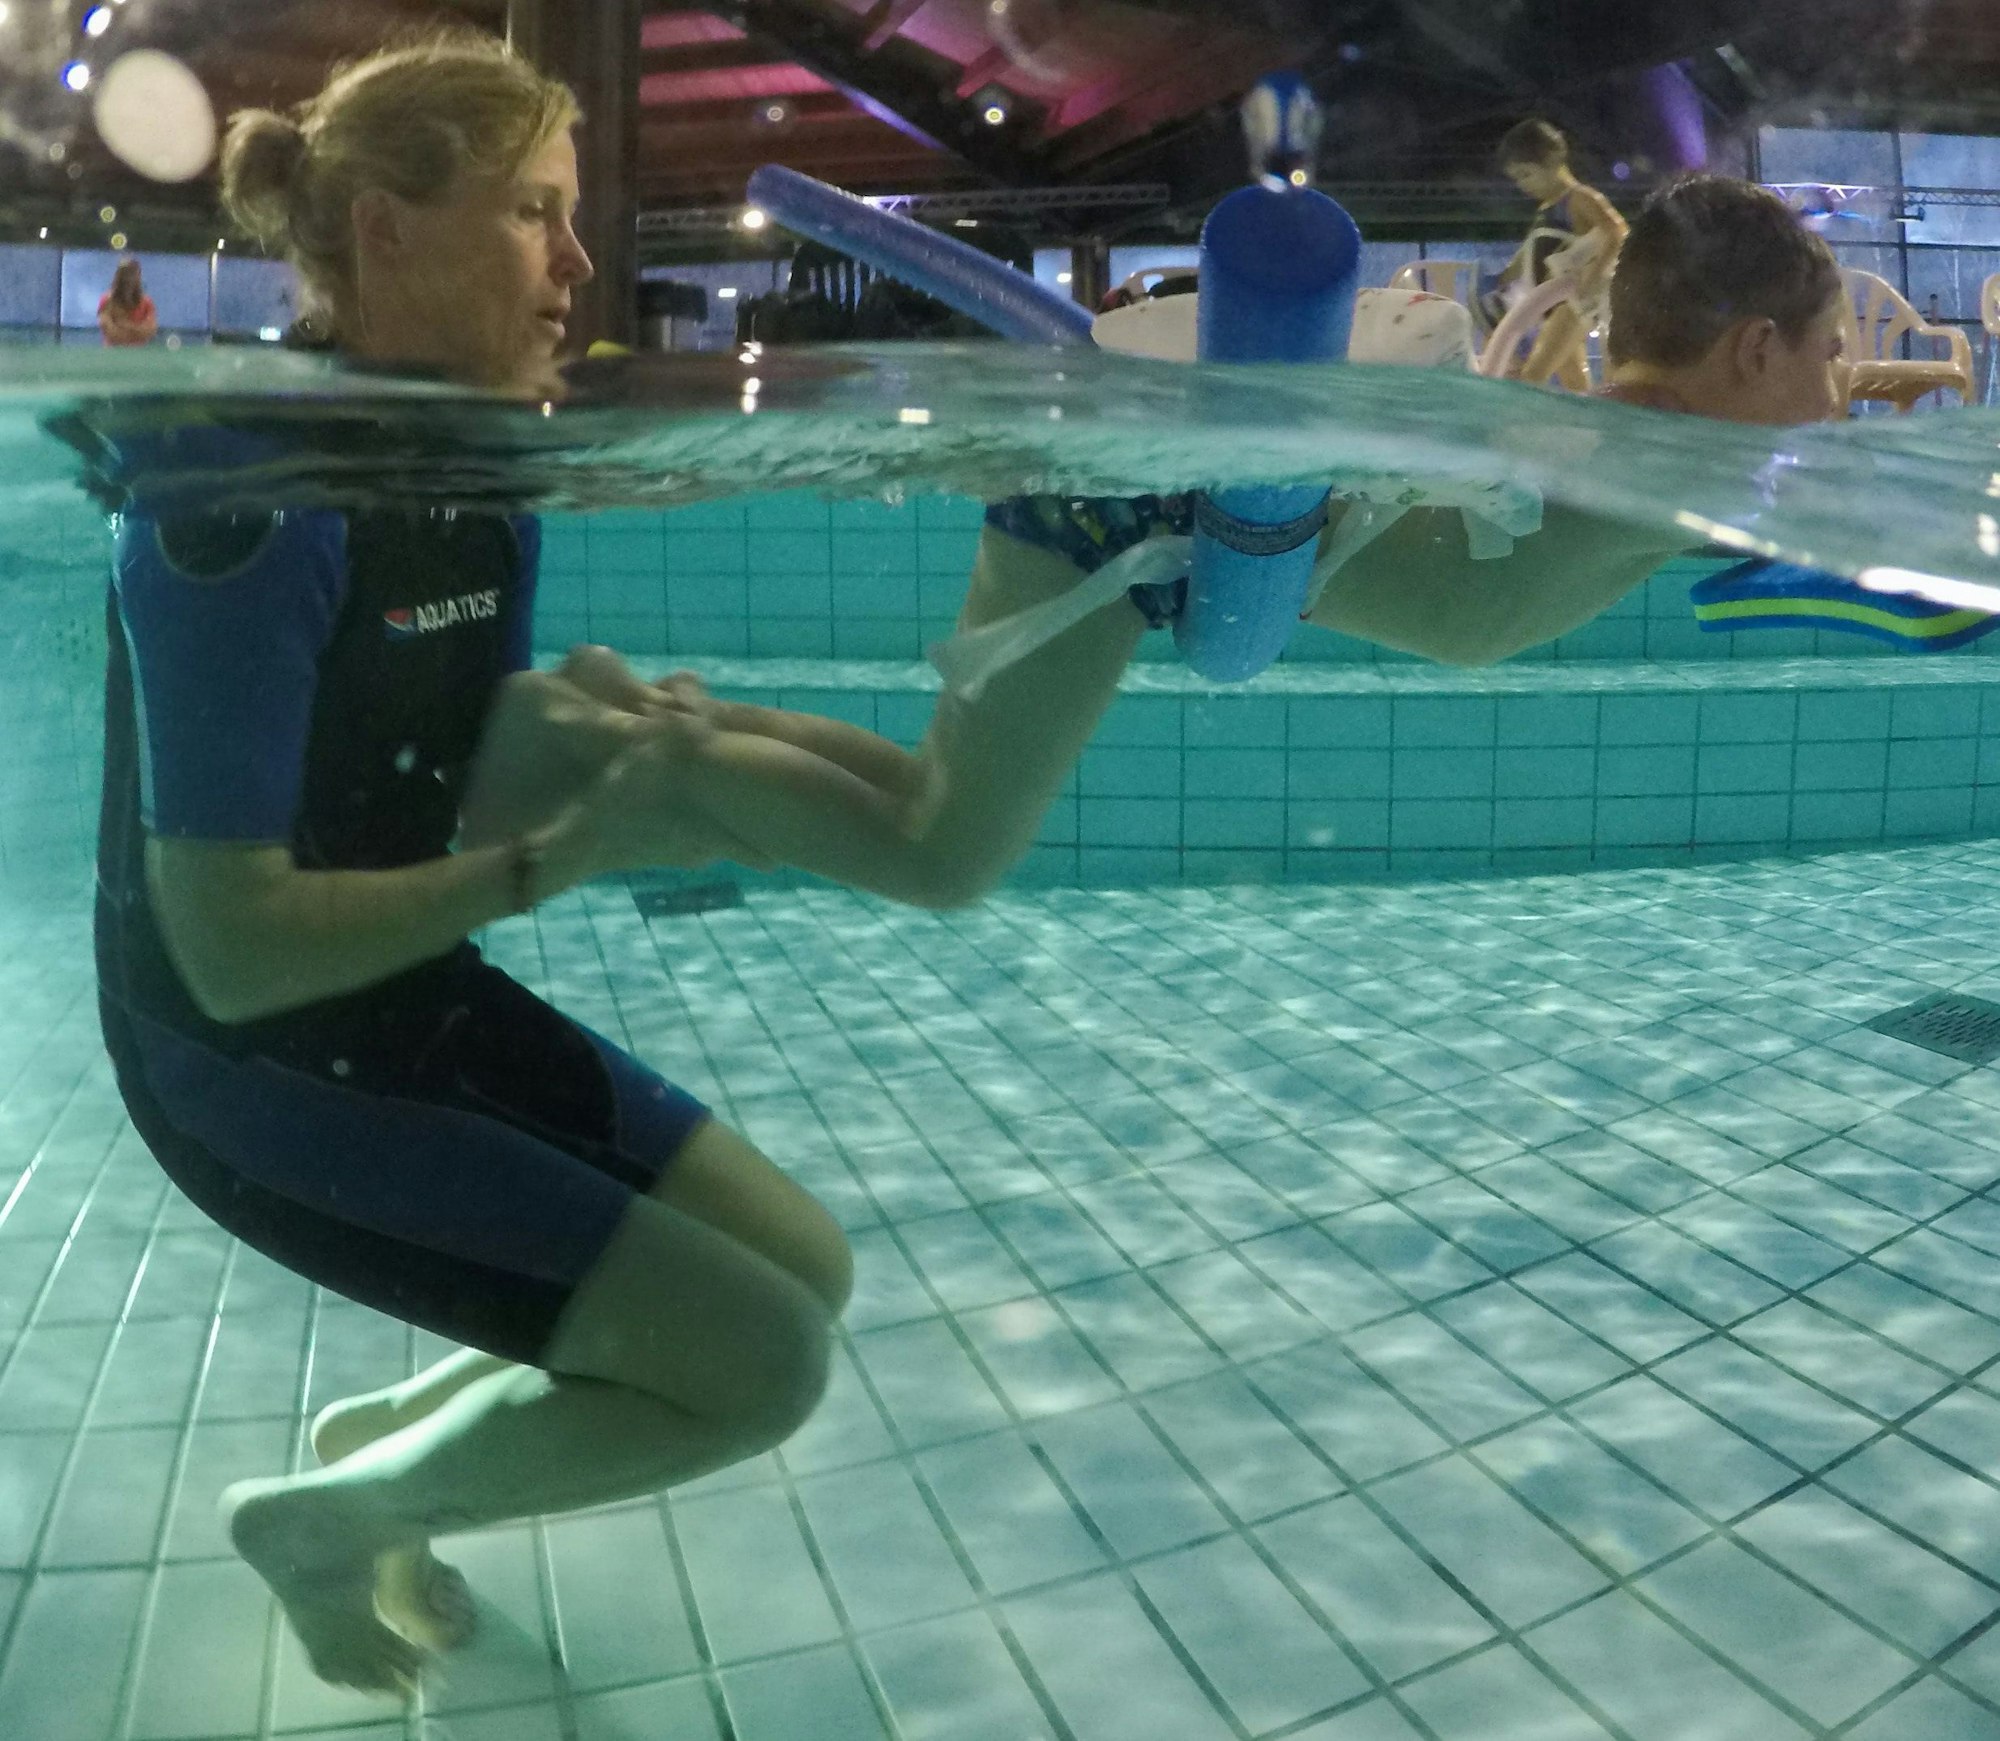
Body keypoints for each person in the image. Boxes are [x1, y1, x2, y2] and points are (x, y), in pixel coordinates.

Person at [96, 26, 1145, 1701]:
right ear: (383, 231)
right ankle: (320, 1520)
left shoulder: (482, 464)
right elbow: (227, 947)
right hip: (238, 1061)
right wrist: (572, 851)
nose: (580, 264)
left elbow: (430, 743)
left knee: (809, 1265)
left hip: (389, 994)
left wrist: (652, 735)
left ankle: (399, 1442)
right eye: (530, 214)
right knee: (759, 1364)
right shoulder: (238, 503)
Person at [1483, 118, 1626, 390]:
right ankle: (1584, 428)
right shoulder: (1546, 209)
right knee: (1574, 380)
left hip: (1572, 301)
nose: (1522, 185)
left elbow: (1617, 231)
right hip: (1554, 303)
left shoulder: (1580, 198)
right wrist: (1504, 279)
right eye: (1516, 179)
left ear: (1551, 160)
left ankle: (1523, 428)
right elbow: (1530, 255)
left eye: (1526, 174)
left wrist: (1593, 277)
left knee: (1533, 374)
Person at [97, 257, 158, 347]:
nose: (129, 278)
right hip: (113, 352)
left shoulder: (147, 302)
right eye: (125, 274)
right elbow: (109, 331)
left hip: (139, 353)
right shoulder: (107, 301)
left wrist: (124, 325)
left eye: (133, 274)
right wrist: (136, 332)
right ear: (118, 276)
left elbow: (150, 331)